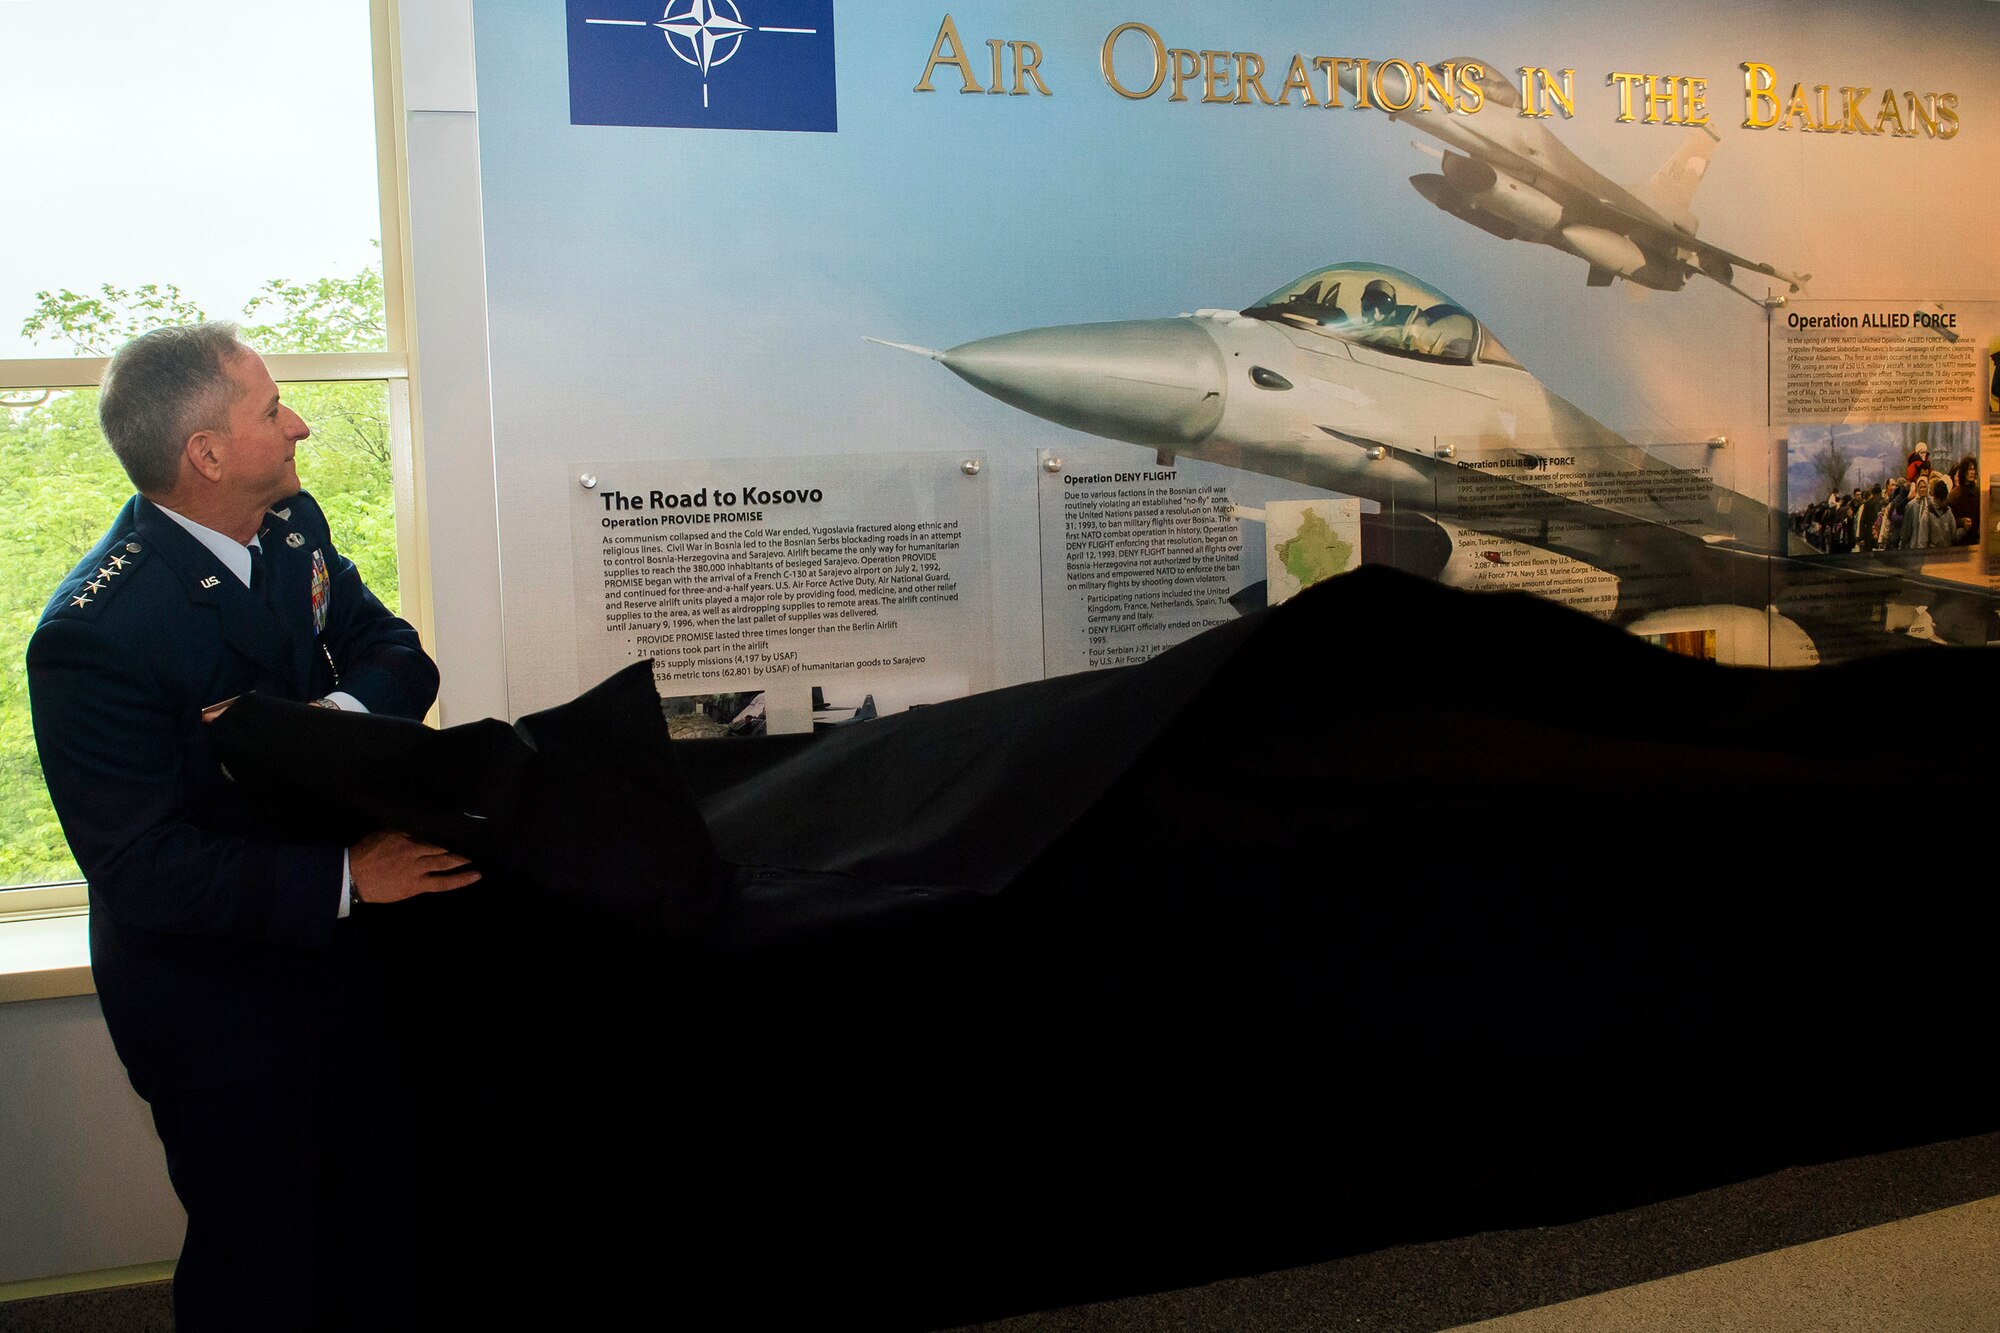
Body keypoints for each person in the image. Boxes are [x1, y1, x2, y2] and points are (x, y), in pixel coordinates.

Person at [25, 323, 478, 1330]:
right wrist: (350, 877)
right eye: (272, 410)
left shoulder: (289, 528)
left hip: (344, 957)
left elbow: (392, 651)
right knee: (259, 1249)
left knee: (376, 1219)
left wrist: (327, 730)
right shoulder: (95, 634)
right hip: (214, 993)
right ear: (207, 454)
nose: (301, 425)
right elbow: (143, 866)